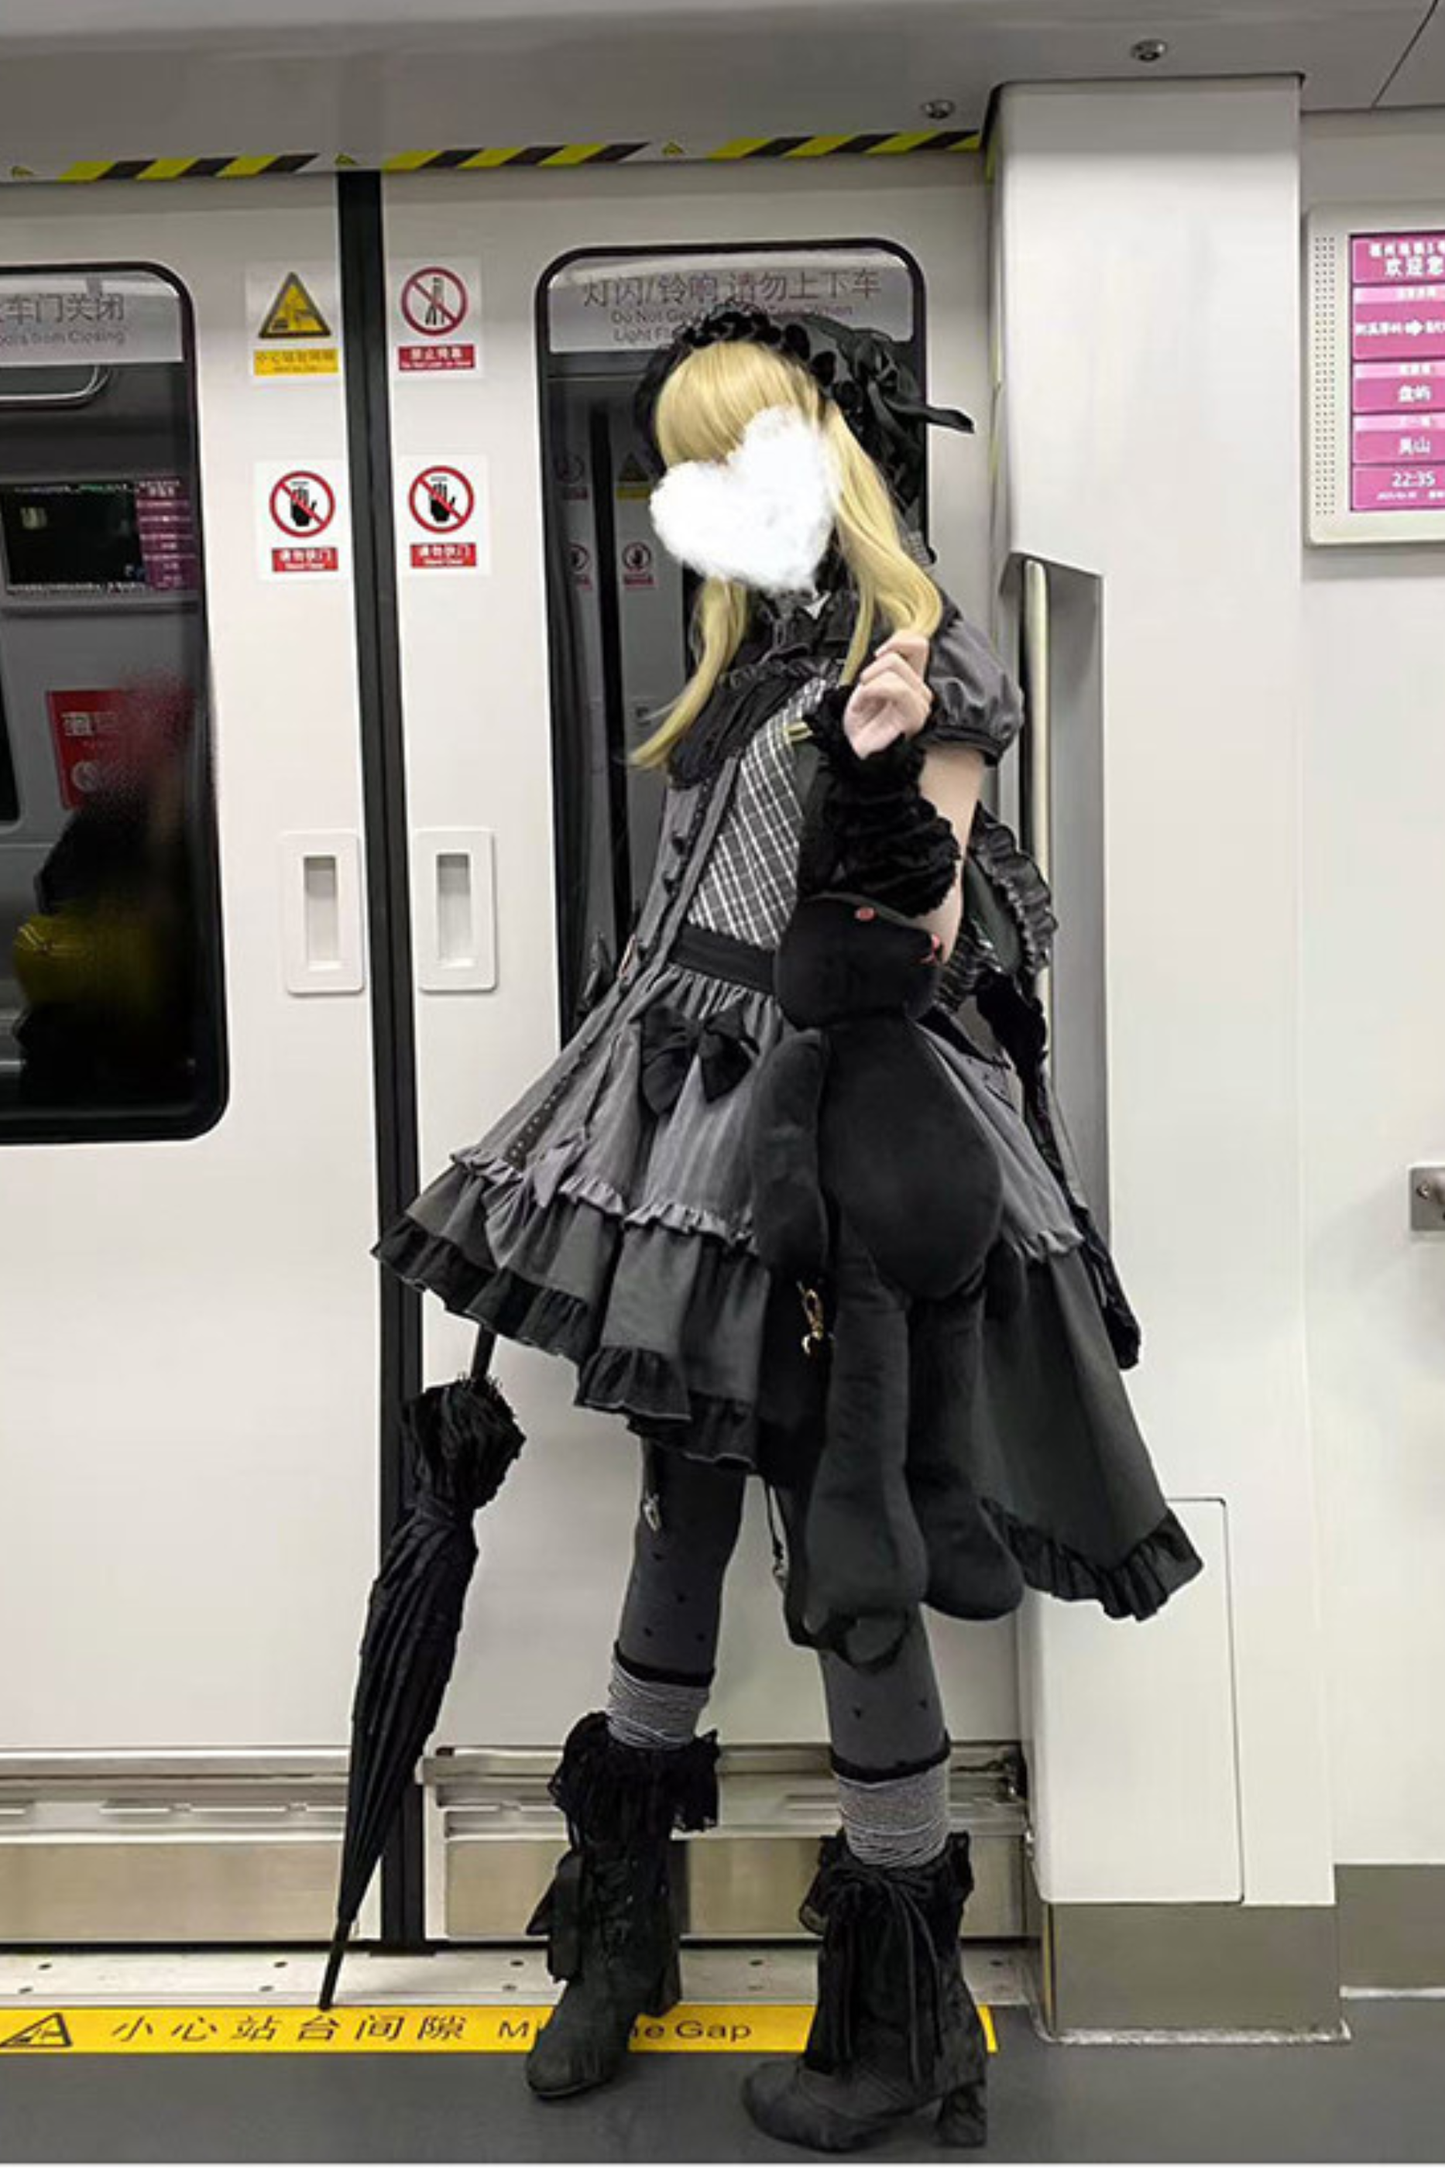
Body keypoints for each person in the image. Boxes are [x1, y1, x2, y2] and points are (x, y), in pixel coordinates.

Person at [372, 303, 1204, 2152]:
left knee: (857, 1549)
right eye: (680, 461)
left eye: (724, 451)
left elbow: (919, 937)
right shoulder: (729, 675)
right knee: (677, 1527)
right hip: (675, 1128)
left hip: (834, 1137)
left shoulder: (932, 668)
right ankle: (621, 1938)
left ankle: (908, 2018)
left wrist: (878, 761)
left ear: (822, 461)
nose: (693, 492)